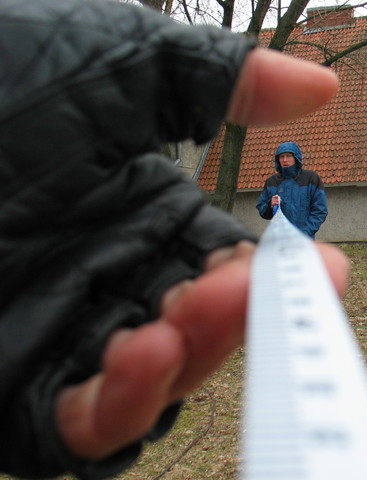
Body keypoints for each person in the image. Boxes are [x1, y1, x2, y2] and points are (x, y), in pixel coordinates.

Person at [0, 1, 346, 479]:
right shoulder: (270, 182)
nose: (286, 163)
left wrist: (309, 226)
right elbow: (266, 209)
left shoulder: (312, 177)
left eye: (290, 158)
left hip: (305, 238)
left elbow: (322, 205)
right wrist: (272, 210)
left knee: (301, 293)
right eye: (281, 159)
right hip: (278, 237)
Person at [256, 141, 328, 238]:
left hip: (304, 241)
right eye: (282, 157)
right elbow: (262, 210)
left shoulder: (311, 178)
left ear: (296, 157)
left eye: (288, 156)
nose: (285, 160)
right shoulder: (271, 182)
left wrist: (305, 233)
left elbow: (320, 210)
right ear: (278, 159)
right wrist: (270, 205)